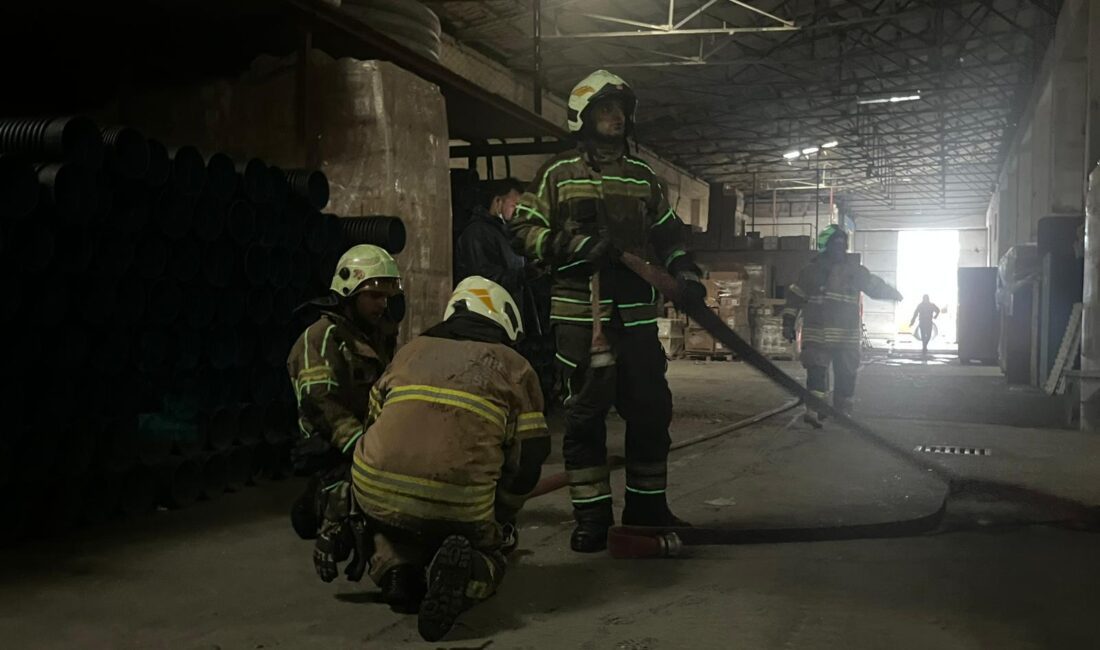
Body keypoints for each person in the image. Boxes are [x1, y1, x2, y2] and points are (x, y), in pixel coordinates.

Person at [510, 69, 706, 553]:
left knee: (651, 413)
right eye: (605, 109)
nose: (615, 117)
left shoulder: (643, 177)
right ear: (583, 116)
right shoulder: (558, 174)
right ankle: (593, 519)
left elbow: (669, 234)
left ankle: (647, 511)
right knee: (584, 420)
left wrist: (685, 272)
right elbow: (523, 231)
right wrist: (572, 246)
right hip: (581, 318)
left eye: (620, 109)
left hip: (636, 319)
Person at [312, 276, 549, 642]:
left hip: (374, 490)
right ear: (504, 320)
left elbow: (374, 423)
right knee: (492, 551)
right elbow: (532, 456)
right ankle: (472, 570)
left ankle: (394, 570)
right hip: (459, 502)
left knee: (393, 523)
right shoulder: (516, 367)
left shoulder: (410, 350)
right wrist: (501, 513)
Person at [285, 244, 403, 540]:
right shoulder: (321, 338)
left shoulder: (377, 335)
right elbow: (322, 405)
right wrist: (364, 450)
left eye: (386, 297)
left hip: (370, 445)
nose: (382, 304)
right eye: (374, 296)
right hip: (336, 451)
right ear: (350, 292)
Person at [782, 225, 902, 426]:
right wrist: (787, 322)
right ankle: (823, 411)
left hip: (832, 336)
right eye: (836, 244)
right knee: (824, 374)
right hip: (832, 336)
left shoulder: (834, 271)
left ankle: (830, 411)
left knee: (837, 375)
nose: (839, 248)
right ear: (829, 246)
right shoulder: (820, 271)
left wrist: (892, 293)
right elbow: (795, 298)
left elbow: (874, 286)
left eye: (841, 244)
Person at [455, 178, 527, 302]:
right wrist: (523, 275)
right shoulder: (477, 233)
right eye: (514, 206)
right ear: (498, 201)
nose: (518, 213)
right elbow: (485, 279)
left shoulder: (507, 234)